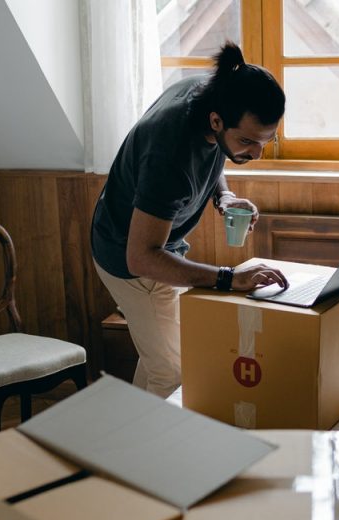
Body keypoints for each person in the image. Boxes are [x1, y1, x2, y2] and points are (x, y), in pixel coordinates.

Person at [90, 42, 288, 398]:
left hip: (159, 248)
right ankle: (151, 435)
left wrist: (223, 195)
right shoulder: (168, 154)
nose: (256, 154)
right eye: (247, 141)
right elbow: (141, 257)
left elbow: (212, 152)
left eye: (266, 141)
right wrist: (229, 278)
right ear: (216, 120)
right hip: (129, 259)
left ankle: (131, 430)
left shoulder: (212, 93)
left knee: (161, 359)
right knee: (174, 374)